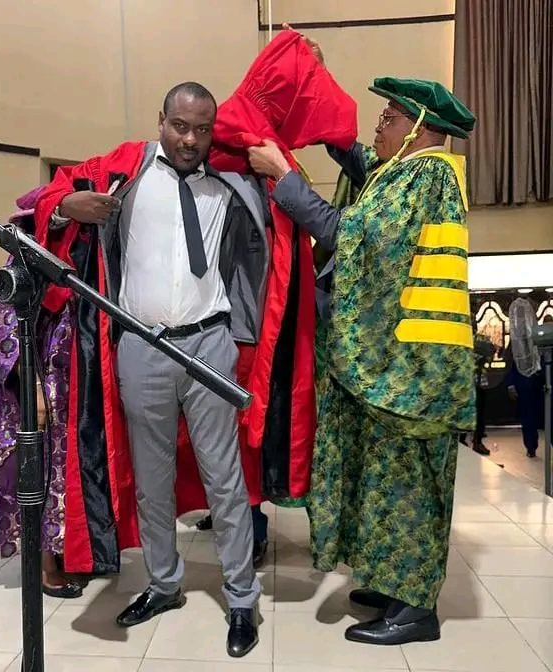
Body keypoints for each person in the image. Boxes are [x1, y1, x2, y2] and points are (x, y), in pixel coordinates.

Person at [31, 31, 357, 658]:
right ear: (161, 122)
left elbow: (276, 233)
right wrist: (72, 204)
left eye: (201, 129)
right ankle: (163, 582)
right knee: (151, 479)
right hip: (140, 347)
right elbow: (52, 197)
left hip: (210, 347)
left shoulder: (233, 178)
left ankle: (241, 599)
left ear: (213, 131)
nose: (189, 139)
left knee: (225, 481)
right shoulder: (123, 170)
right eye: (179, 126)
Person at [248, 73, 477, 644]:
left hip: (410, 372)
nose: (380, 125)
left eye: (391, 118)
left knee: (406, 488)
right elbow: (363, 172)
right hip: (396, 366)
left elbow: (356, 238)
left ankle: (417, 610)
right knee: (381, 479)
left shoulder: (426, 174)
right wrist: (327, 125)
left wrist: (284, 179)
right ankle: (392, 582)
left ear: (422, 130)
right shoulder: (403, 173)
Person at [0, 200, 84, 598]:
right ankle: (43, 564)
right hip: (35, 388)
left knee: (66, 473)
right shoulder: (20, 266)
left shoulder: (68, 261)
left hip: (69, 386)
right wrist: (35, 391)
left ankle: (65, 551)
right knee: (38, 474)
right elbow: (7, 338)